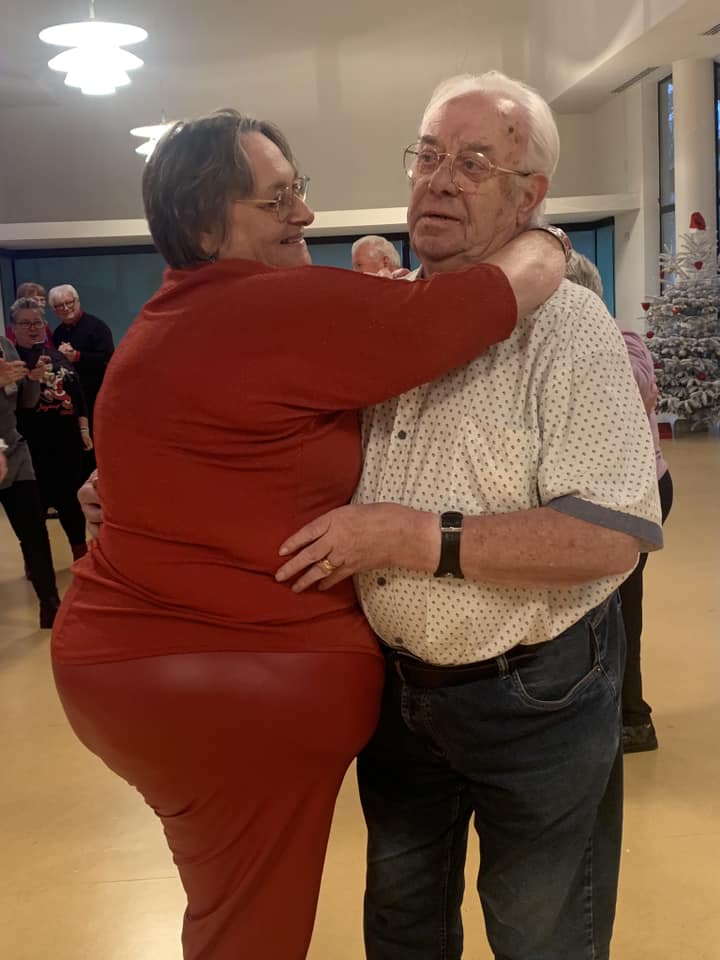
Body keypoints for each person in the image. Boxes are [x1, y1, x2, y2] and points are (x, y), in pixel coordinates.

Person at [51, 106, 566, 960]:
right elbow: (481, 302)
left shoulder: (169, 319)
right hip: (225, 679)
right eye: (276, 199)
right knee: (250, 928)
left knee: (228, 910)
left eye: (300, 189)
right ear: (204, 226)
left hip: (134, 666)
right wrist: (545, 239)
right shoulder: (270, 305)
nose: (305, 213)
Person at [274, 71, 662, 960]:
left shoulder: (567, 328)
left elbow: (613, 533)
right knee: (401, 926)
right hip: (395, 694)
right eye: (429, 155)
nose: (440, 180)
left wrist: (410, 536)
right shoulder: (383, 317)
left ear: (530, 197)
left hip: (537, 696)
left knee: (540, 934)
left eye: (475, 163)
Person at [565, 251, 674, 753]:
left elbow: (636, 388)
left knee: (621, 605)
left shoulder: (619, 336)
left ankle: (632, 718)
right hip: (604, 494)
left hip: (636, 493)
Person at [9, 297, 90, 562]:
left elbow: (78, 394)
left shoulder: (57, 356)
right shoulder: (10, 364)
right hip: (31, 449)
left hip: (66, 445)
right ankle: (36, 564)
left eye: (37, 322)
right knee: (34, 512)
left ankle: (81, 555)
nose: (33, 328)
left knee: (71, 505)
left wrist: (83, 428)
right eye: (25, 323)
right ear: (13, 328)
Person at [0, 334, 61, 628]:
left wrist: (34, 379)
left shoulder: (5, 346)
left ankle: (51, 606)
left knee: (34, 532)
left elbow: (26, 401)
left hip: (14, 452)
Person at [48, 284, 114, 430]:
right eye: (60, 305)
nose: (66, 308)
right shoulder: (58, 333)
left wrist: (78, 356)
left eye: (69, 302)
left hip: (98, 393)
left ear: (77, 302)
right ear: (54, 310)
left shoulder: (97, 327)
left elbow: (108, 358)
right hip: (72, 397)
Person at [6, 283, 54, 348]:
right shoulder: (15, 328)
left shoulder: (43, 325)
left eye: (42, 300)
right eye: (35, 300)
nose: (40, 304)